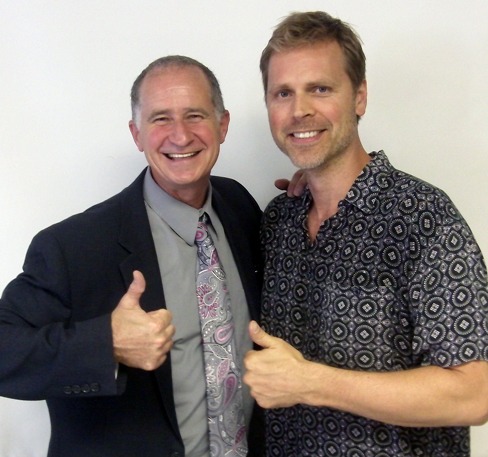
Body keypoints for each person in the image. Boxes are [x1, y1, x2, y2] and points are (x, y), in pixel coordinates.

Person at [244, 11, 488, 456]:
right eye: (283, 93)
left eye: (320, 89)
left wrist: (310, 382)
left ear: (359, 97)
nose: (299, 110)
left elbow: (474, 393)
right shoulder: (278, 221)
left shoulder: (423, 218)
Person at [0, 55, 266, 457]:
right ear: (136, 134)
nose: (180, 136)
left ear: (222, 125)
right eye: (160, 119)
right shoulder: (73, 247)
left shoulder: (240, 206)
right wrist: (105, 344)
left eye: (195, 115)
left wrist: (310, 189)